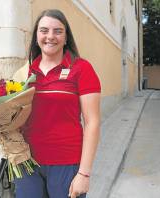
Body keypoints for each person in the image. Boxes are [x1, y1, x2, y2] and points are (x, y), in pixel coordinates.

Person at [15, 9, 101, 198]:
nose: (50, 36)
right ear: (37, 35)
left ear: (66, 37)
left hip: (66, 163)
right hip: (27, 163)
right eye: (44, 30)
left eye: (58, 31)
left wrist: (84, 173)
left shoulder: (81, 69)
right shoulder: (26, 73)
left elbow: (92, 122)